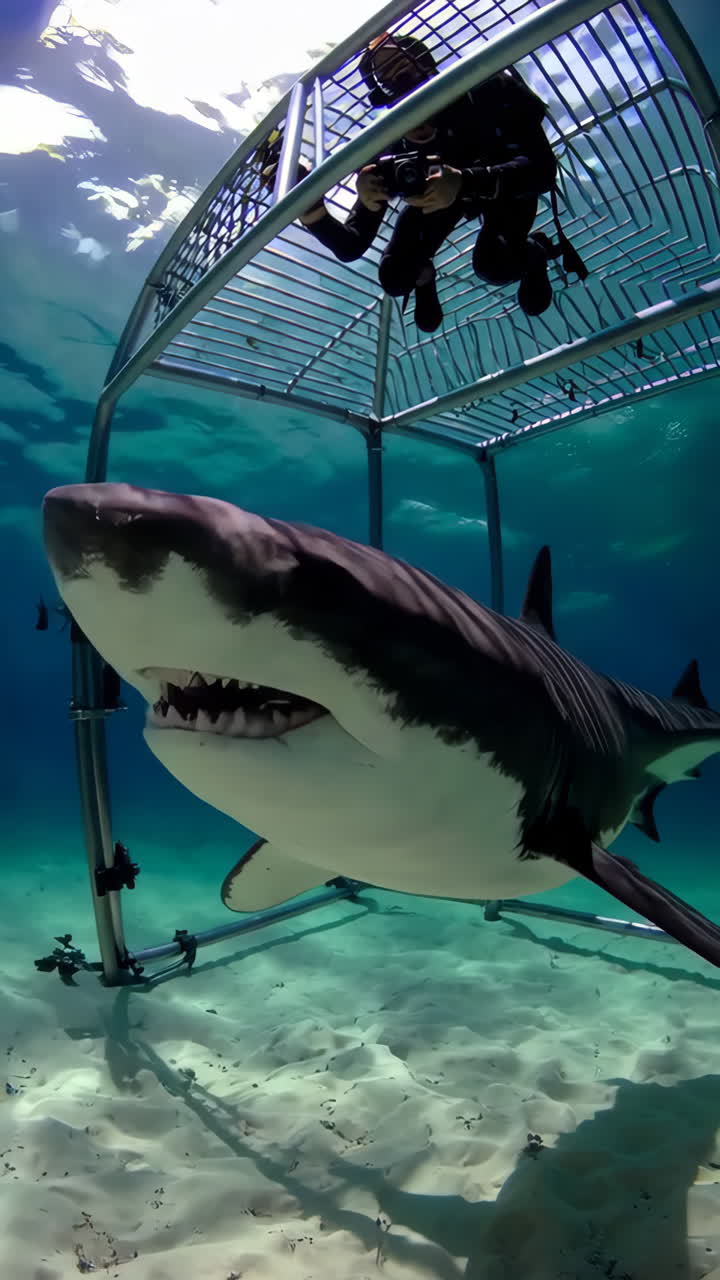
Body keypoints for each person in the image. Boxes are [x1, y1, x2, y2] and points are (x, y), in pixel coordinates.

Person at [260, 32, 586, 332]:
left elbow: (542, 170)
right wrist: (315, 209)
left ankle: (535, 253)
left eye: (398, 62)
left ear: (424, 59)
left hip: (504, 186)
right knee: (394, 277)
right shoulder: (392, 145)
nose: (397, 77)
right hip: (438, 198)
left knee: (495, 267)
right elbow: (351, 244)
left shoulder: (486, 90)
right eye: (385, 76)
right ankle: (424, 276)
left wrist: (464, 182)